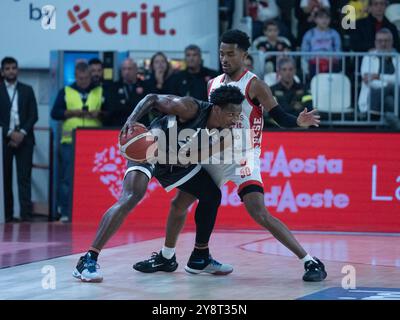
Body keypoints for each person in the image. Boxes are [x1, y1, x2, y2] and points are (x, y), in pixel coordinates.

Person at [135, 29, 327, 282]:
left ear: (244, 55)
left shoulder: (255, 84)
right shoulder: (213, 83)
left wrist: (298, 122)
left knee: (259, 212)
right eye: (221, 53)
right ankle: (168, 256)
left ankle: (310, 261)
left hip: (243, 157)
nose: (225, 58)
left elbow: (278, 115)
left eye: (231, 54)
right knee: (179, 204)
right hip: (214, 153)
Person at [72, 85, 245, 282]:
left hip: (174, 161)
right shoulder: (190, 108)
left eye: (237, 115)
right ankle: (88, 259)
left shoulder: (226, 135)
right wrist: (132, 120)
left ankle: (197, 258)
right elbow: (152, 98)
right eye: (231, 114)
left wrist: (179, 158)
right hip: (149, 149)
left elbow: (191, 158)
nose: (235, 120)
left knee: (211, 195)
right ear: (216, 109)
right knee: (131, 196)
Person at [51, 61, 103, 222]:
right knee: (67, 177)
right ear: (75, 76)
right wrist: (71, 112)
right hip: (70, 141)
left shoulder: (100, 90)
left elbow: (111, 111)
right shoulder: (66, 91)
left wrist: (99, 114)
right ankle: (66, 211)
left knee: (93, 178)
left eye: (86, 78)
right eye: (80, 78)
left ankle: (93, 211)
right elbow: (55, 113)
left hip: (94, 141)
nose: (83, 81)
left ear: (90, 76)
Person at [0, 57, 38, 223]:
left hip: (25, 139)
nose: (11, 71)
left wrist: (21, 132)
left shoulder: (27, 89)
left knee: (24, 178)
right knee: (5, 178)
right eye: (7, 68)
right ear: (2, 71)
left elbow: (33, 115)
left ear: (18, 70)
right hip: (3, 139)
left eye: (13, 68)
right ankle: (7, 215)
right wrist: (9, 132)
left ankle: (26, 215)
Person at [358, 28, 400, 129]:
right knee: (389, 98)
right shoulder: (368, 57)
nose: (383, 44)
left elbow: (399, 80)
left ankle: (385, 121)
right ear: (375, 42)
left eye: (386, 40)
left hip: (392, 96)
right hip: (373, 95)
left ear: (392, 42)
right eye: (380, 41)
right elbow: (369, 81)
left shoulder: (398, 57)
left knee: (390, 97)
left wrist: (379, 76)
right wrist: (389, 85)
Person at [103, 58, 147, 127]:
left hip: (140, 128)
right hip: (118, 127)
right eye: (124, 69)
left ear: (136, 70)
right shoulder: (113, 87)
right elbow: (112, 108)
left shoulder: (145, 86)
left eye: (129, 69)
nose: (127, 72)